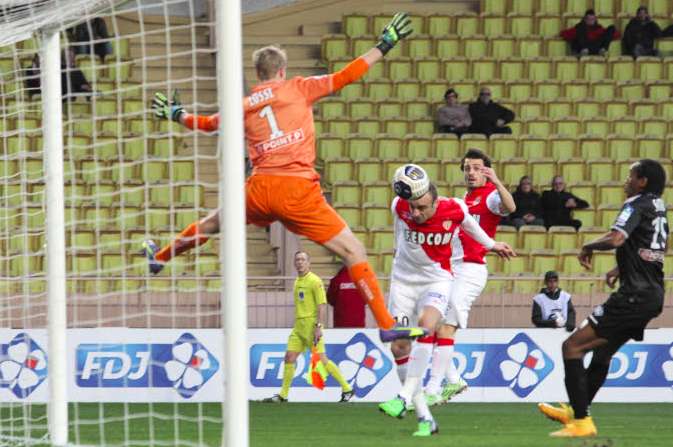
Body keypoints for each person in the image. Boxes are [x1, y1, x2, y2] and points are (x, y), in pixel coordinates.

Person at [142, 13, 424, 340]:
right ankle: (387, 326)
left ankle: (160, 257)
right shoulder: (299, 87)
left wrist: (178, 114)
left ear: (258, 74)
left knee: (211, 224)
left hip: (259, 189)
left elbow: (208, 124)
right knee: (353, 252)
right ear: (282, 71)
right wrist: (383, 45)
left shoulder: (244, 104)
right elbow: (347, 75)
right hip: (296, 189)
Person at [378, 164, 516, 437]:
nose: (416, 213)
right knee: (399, 348)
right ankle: (425, 418)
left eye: (422, 208)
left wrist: (493, 245)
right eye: (412, 208)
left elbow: (473, 227)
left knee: (427, 326)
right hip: (403, 283)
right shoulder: (399, 205)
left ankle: (404, 396)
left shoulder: (453, 208)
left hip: (437, 279)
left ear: (434, 199)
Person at [538, 159, 668, 437]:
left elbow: (617, 238)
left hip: (633, 296)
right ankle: (577, 411)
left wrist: (588, 246)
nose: (626, 181)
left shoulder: (635, 204)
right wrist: (621, 267)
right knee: (603, 352)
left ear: (642, 181)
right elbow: (653, 246)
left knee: (572, 347)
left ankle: (581, 420)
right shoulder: (658, 207)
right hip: (652, 295)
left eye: (631, 176)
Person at [422, 149, 516, 406]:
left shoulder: (490, 197)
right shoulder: (465, 198)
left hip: (471, 269)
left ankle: (432, 387)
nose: (471, 173)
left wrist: (496, 181)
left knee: (446, 324)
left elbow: (510, 207)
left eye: (476, 168)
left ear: (486, 170)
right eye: (467, 168)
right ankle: (454, 379)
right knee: (434, 324)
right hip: (453, 268)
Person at [263, 251, 354, 402]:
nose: (300, 262)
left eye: (303, 260)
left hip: (312, 327)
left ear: (309, 263)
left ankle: (347, 388)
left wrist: (319, 326)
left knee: (322, 360)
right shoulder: (297, 281)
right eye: (297, 259)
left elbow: (322, 305)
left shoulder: (315, 281)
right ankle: (283, 395)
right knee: (289, 357)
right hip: (298, 327)